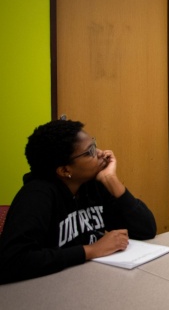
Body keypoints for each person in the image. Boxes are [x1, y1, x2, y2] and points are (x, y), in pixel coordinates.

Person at [0, 119, 157, 284]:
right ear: (65, 170)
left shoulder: (93, 185)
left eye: (94, 144)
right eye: (90, 151)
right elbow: (12, 262)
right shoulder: (36, 196)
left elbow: (146, 230)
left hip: (88, 280)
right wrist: (90, 250)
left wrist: (112, 181)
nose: (101, 153)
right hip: (48, 289)